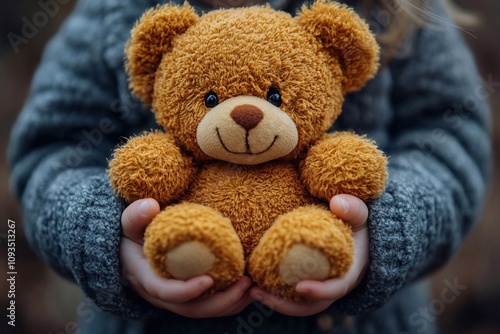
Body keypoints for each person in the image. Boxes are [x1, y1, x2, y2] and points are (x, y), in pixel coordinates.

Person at [8, 0, 491, 333]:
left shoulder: (390, 9)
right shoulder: (112, 13)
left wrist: (381, 233)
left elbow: (451, 136)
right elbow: (50, 150)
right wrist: (111, 242)